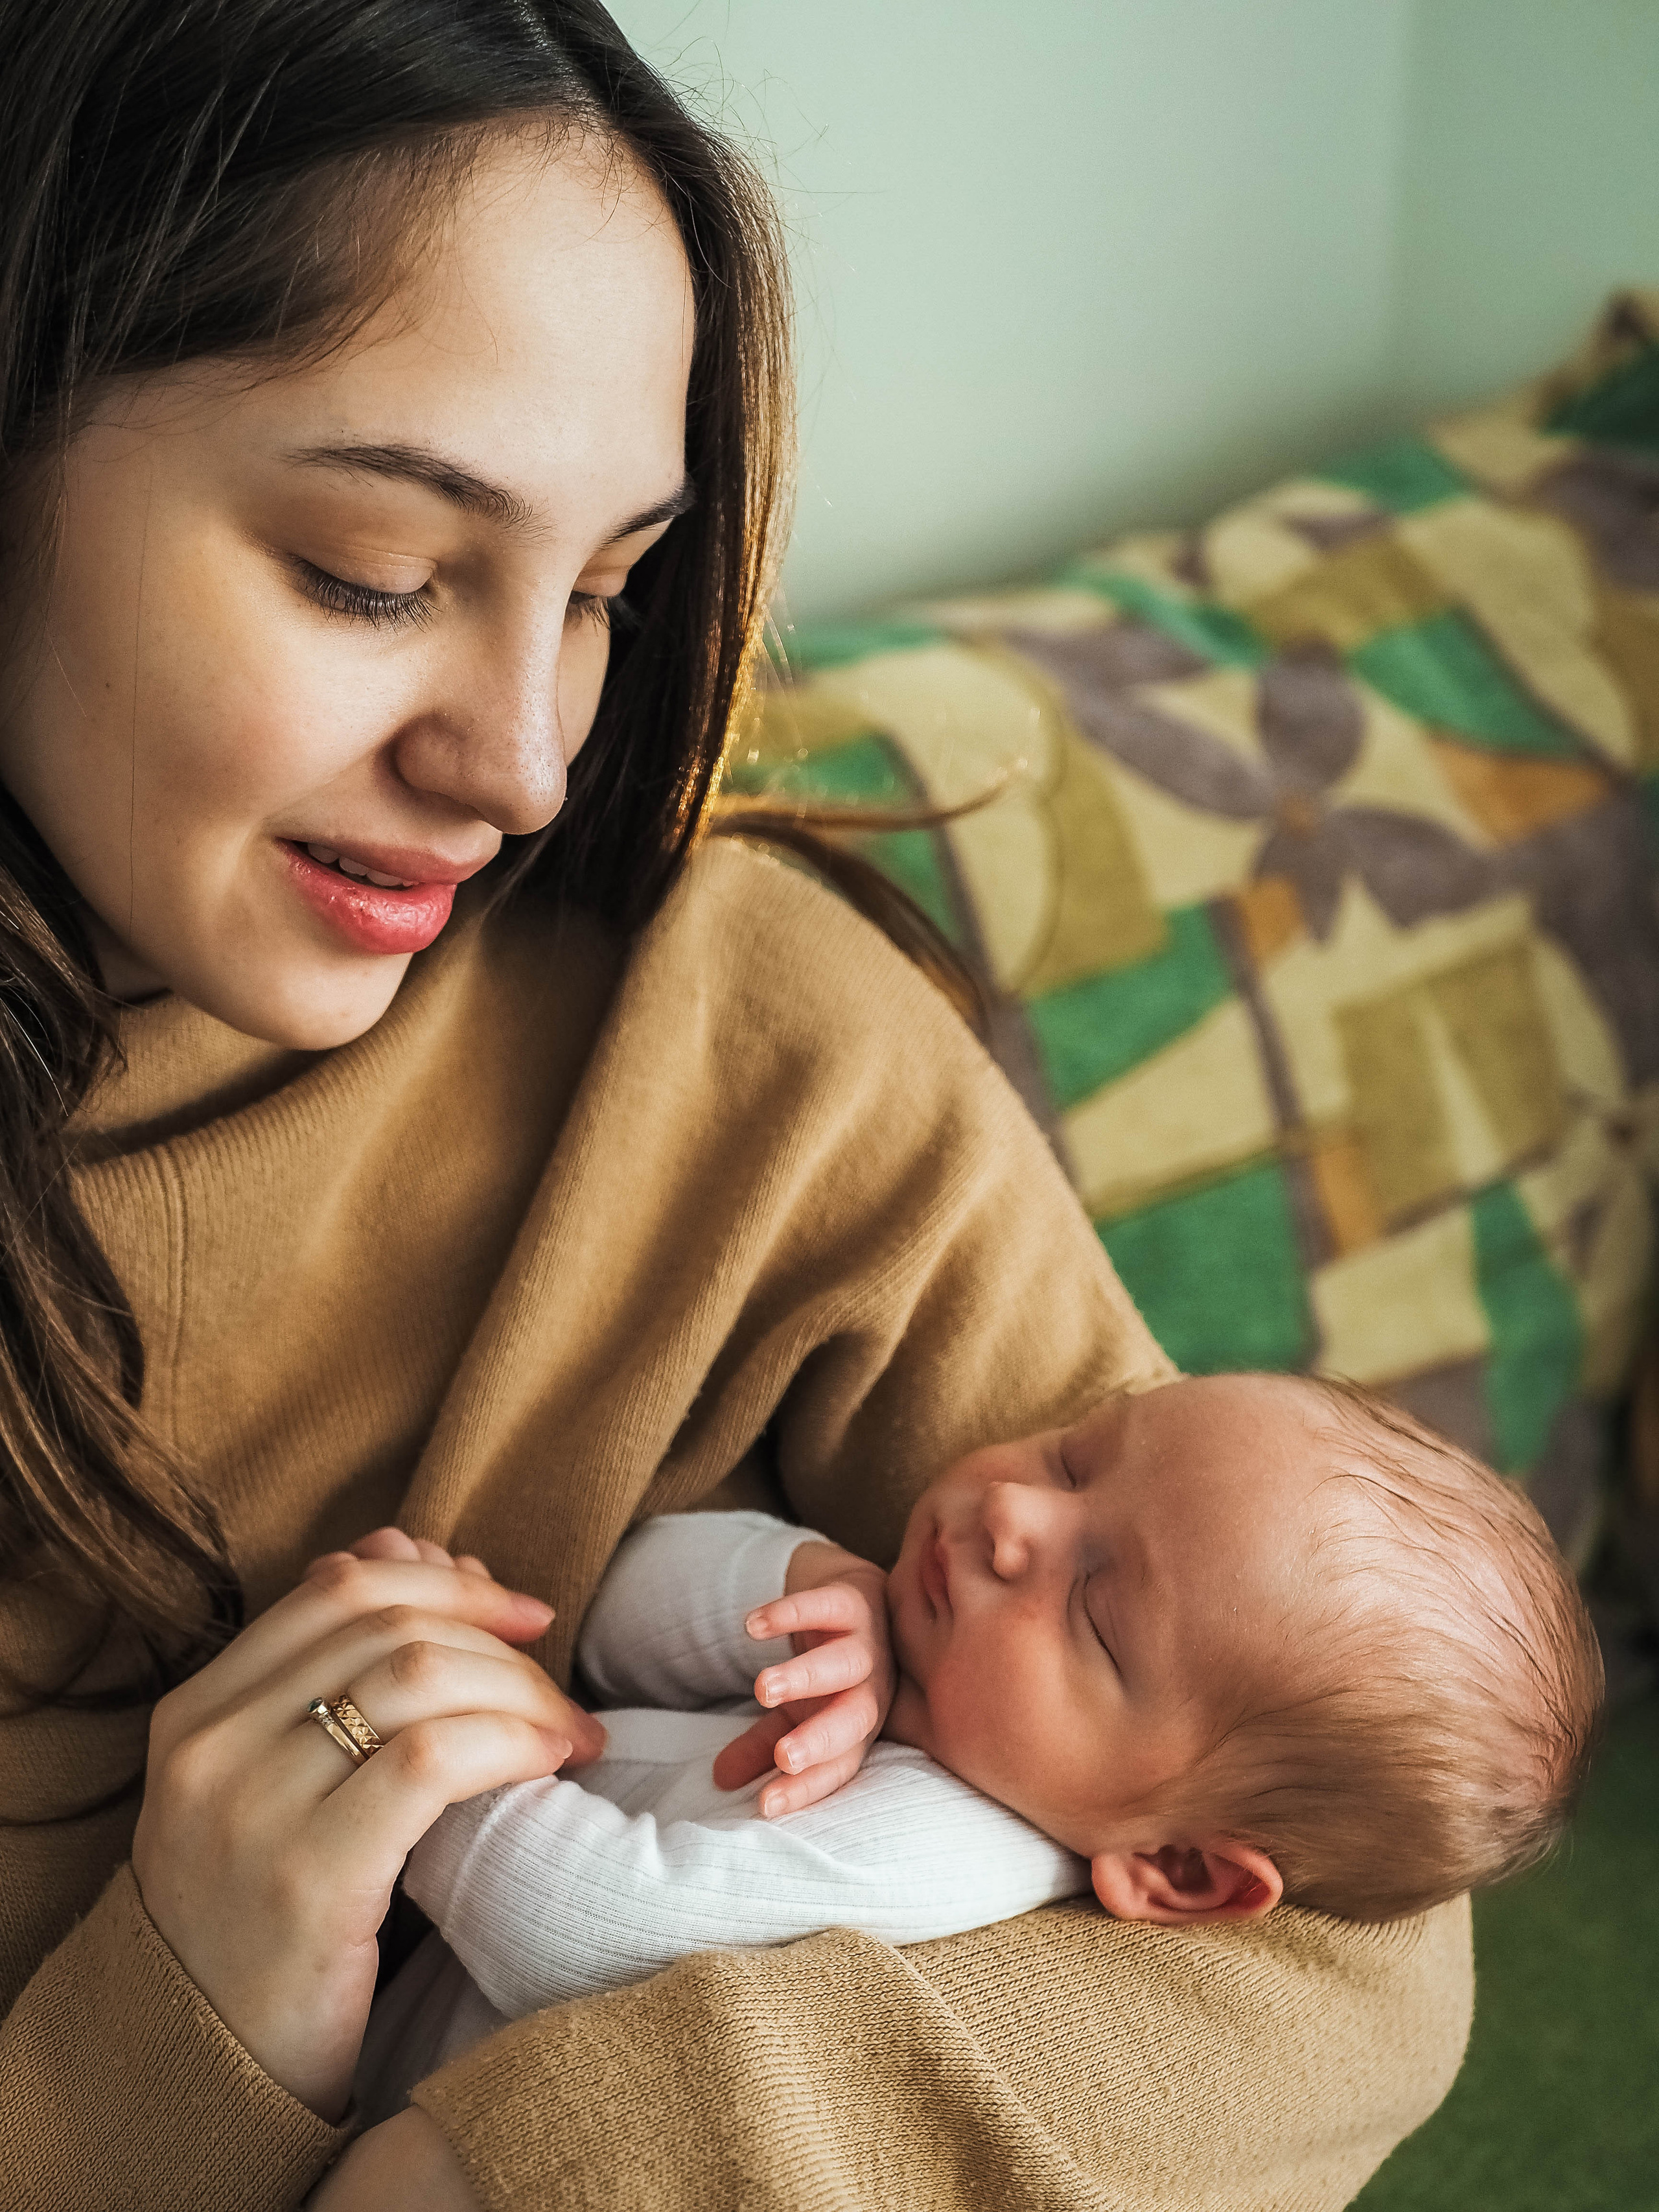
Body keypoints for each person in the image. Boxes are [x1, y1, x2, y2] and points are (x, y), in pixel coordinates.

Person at [0, 5, 1475, 2208]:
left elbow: (1349, 1953)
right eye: (373, 571)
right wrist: (184, 2010)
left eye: (606, 590)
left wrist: (553, 2160)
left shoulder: (748, 1053)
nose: (523, 760)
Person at [334, 1372, 1601, 2136]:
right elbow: (607, 1611)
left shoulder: (944, 1850)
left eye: (1094, 1612)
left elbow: (563, 1926)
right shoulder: (918, 1667)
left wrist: (421, 1727)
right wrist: (794, 1580)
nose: (1013, 1517)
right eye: (1075, 1453)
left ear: (1170, 1870)